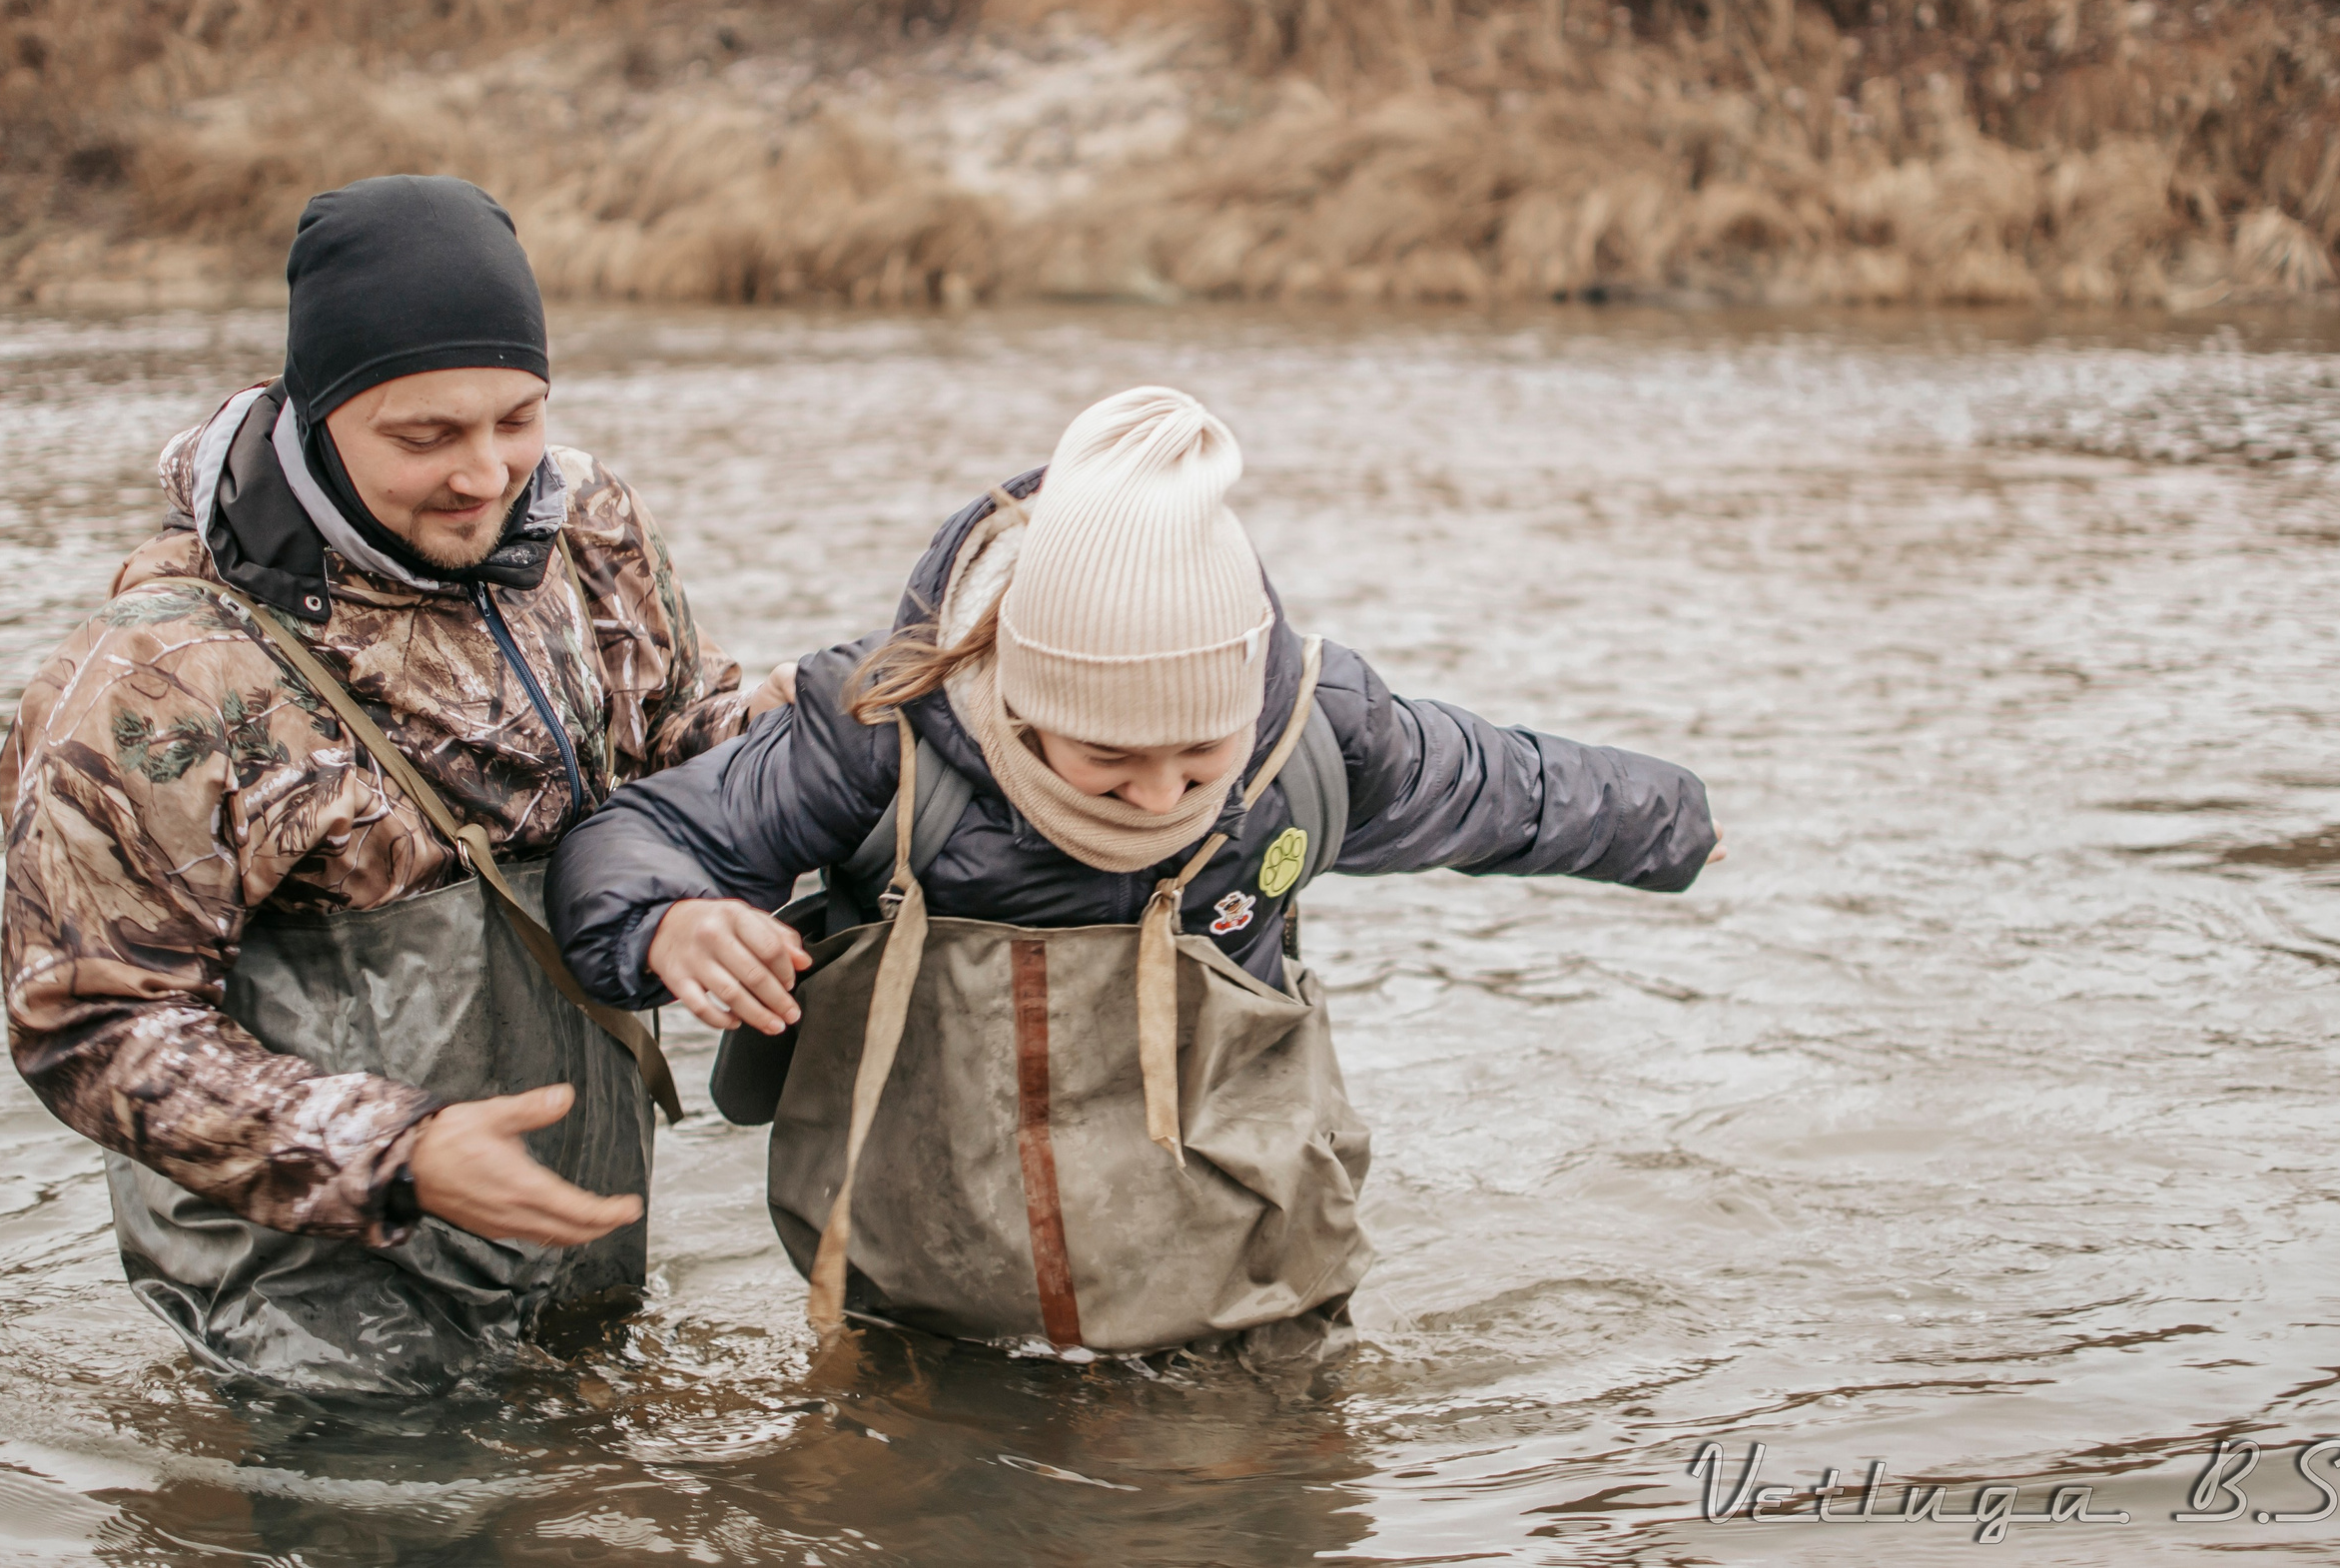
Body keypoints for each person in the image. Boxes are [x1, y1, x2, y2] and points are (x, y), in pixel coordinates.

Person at [548, 386, 1721, 1360]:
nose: (1159, 797)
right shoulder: (879, 732)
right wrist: (667, 925)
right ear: (1023, 693)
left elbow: (1503, 790)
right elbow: (630, 842)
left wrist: (1671, 825)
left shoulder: (1316, 732)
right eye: (1107, 759)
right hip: (934, 1302)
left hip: (1240, 1297)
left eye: (1196, 757)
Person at [0, 175, 790, 1392]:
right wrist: (395, 1152)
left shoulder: (587, 527)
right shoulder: (155, 677)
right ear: (318, 414)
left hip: (570, 1216)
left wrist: (842, 711)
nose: (489, 474)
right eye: (425, 437)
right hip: (316, 1304)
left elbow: (679, 728)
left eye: (517, 417)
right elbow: (89, 1023)